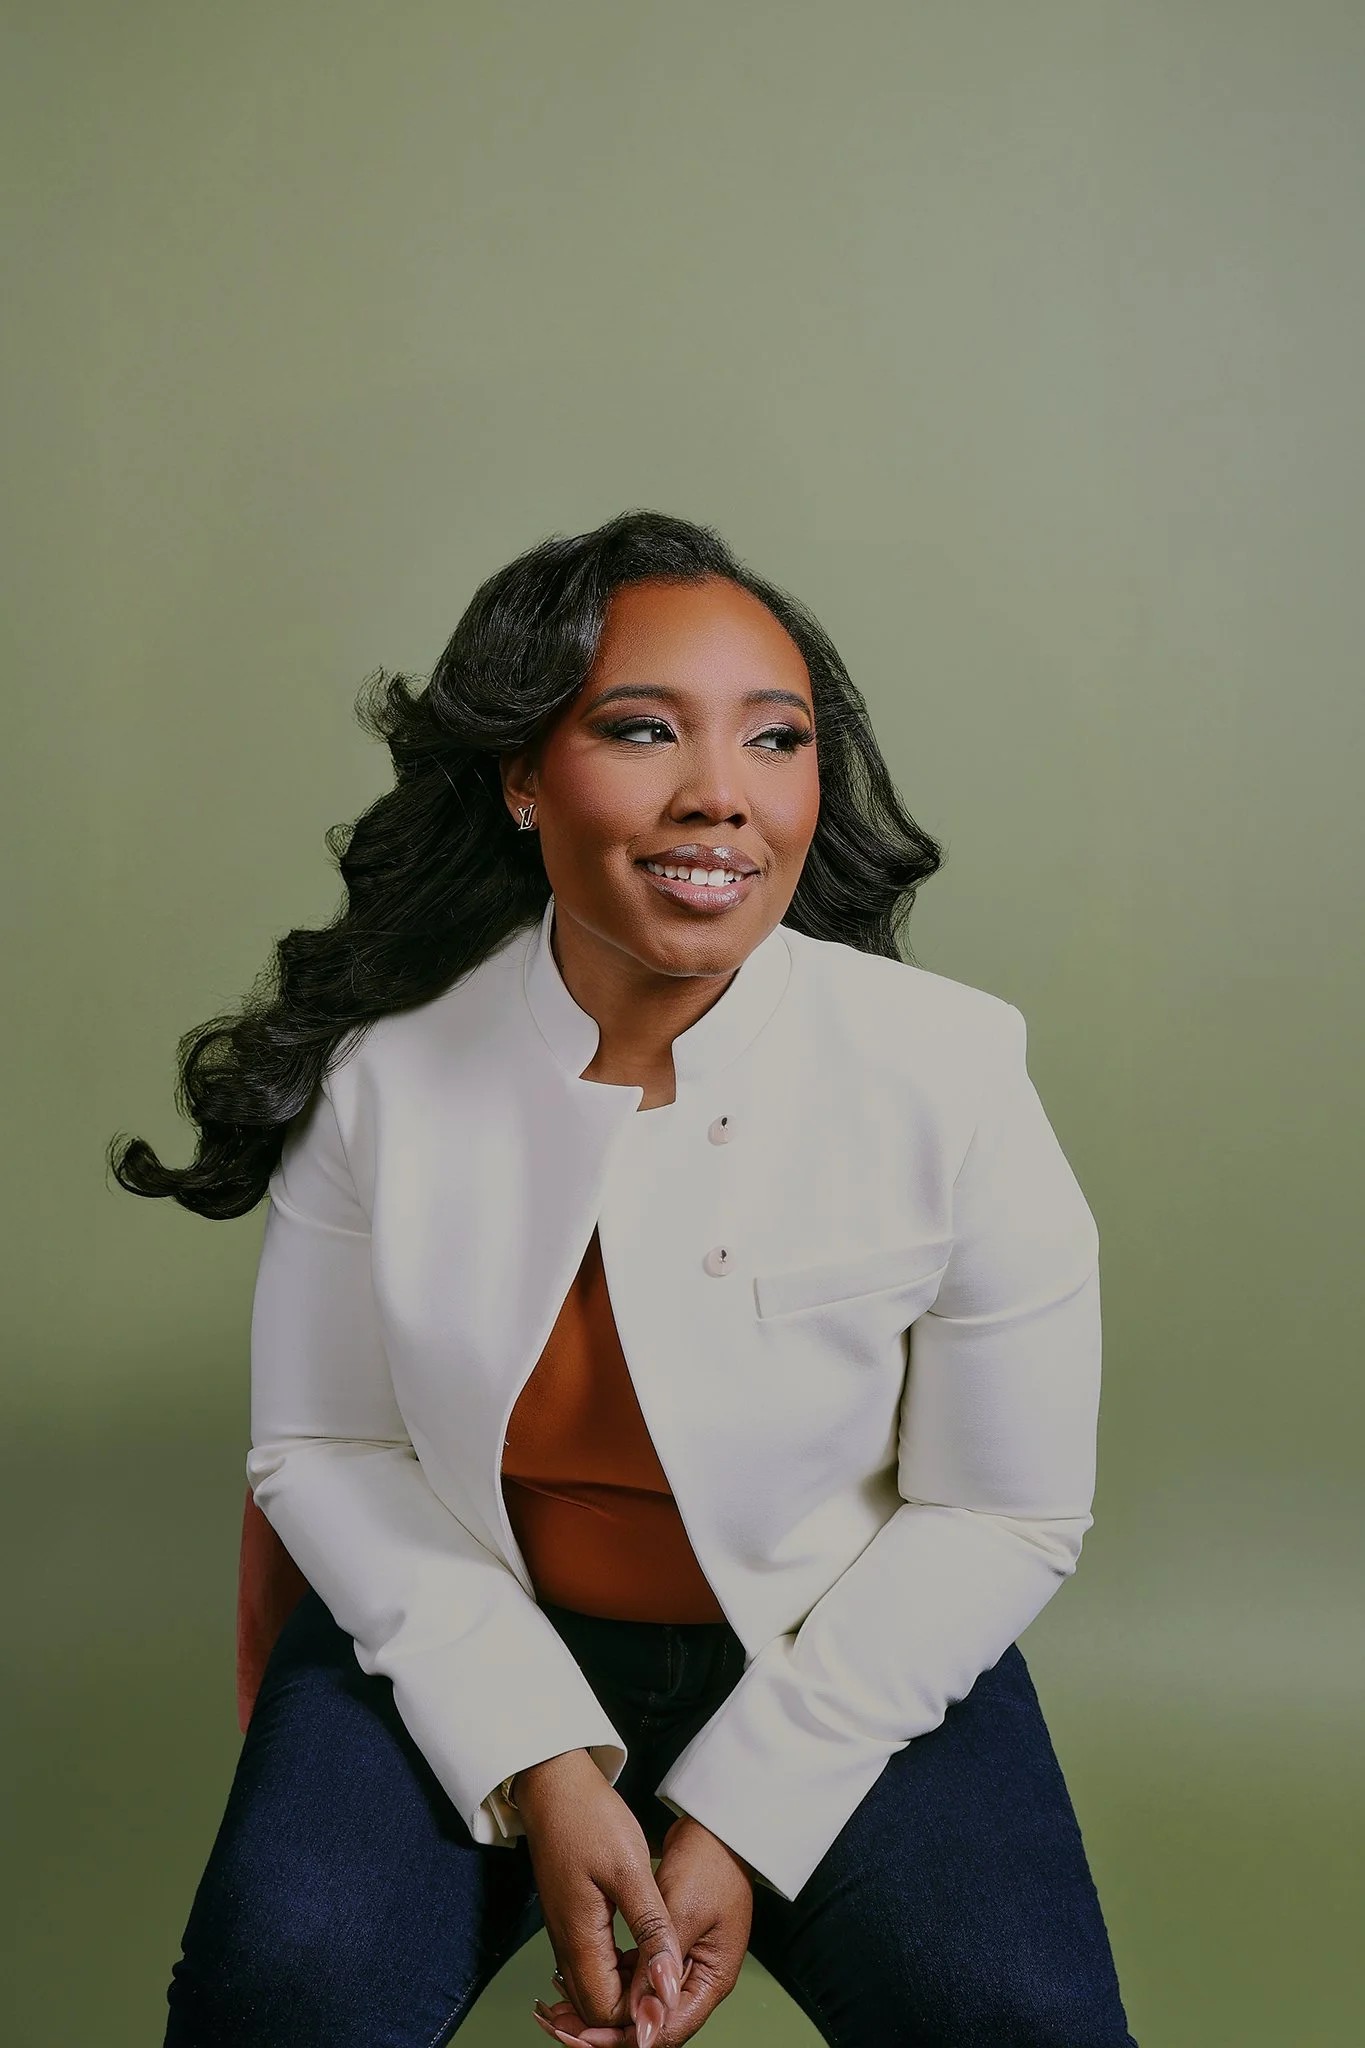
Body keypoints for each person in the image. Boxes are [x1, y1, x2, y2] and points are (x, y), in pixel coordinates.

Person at [111, 508, 1139, 2047]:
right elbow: (328, 1446)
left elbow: (1004, 1511)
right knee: (282, 1997)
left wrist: (746, 1809)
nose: (722, 792)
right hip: (465, 1610)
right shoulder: (381, 1076)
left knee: (1027, 2023)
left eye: (776, 739)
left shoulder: (955, 1070)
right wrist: (535, 1753)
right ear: (522, 775)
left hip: (840, 1635)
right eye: (644, 729)